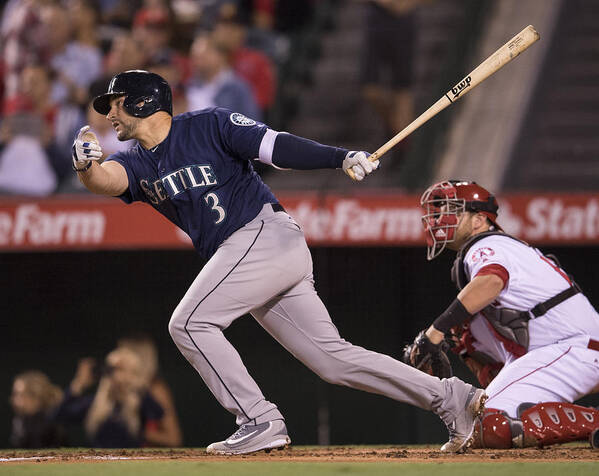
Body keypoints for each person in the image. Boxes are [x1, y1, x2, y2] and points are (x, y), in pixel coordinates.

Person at [71, 69, 486, 455]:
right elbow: (106, 180)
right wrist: (87, 166)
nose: (110, 113)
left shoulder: (209, 124)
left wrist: (340, 157)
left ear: (143, 103)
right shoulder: (137, 160)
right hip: (250, 255)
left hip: (262, 235)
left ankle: (258, 418)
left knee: (189, 323)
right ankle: (452, 398)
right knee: (333, 360)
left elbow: (275, 147)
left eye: (116, 103)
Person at [404, 180, 599, 449]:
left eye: (452, 210)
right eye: (438, 212)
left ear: (479, 219)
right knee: (475, 418)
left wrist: (434, 332)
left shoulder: (488, 243)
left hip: (572, 347)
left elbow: (492, 281)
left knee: (490, 424)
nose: (438, 219)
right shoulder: (496, 249)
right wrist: (463, 351)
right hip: (563, 350)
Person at [54, 349, 165, 448]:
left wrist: (135, 385)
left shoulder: (139, 402)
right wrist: (78, 384)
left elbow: (158, 413)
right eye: (112, 369)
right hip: (99, 465)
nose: (115, 375)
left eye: (121, 369)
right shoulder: (96, 403)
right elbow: (59, 416)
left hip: (131, 463)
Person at [9, 371, 66, 448]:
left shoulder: (50, 423)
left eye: (20, 394)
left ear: (36, 398)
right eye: (14, 394)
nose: (14, 399)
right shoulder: (20, 420)